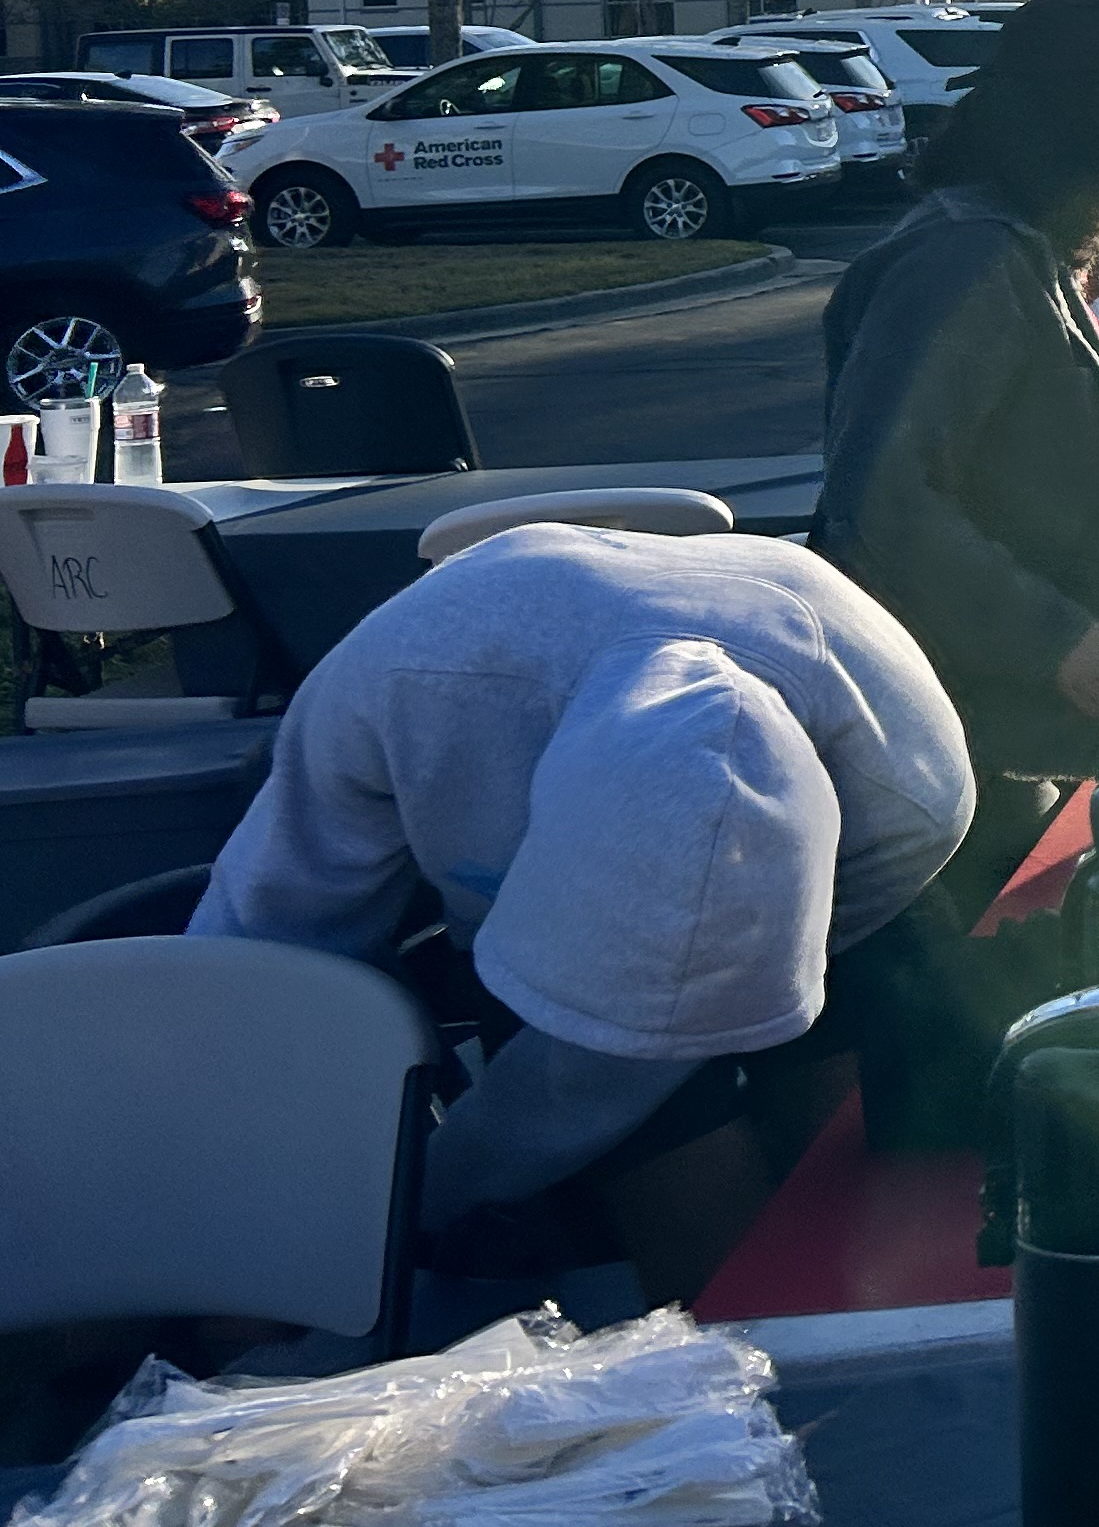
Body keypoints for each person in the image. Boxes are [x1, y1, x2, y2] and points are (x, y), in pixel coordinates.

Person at [193, 521, 974, 1297]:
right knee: (677, 1180)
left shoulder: (913, 781)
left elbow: (626, 1065)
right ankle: (729, 1356)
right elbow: (261, 954)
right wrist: (293, 1208)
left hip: (853, 860)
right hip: (485, 767)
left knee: (847, 1156)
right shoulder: (386, 689)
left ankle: (853, 1326)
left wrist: (430, 1194)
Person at [818, 0, 1099, 910]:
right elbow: (882, 503)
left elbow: (1078, 442)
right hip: (985, 744)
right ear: (1083, 123)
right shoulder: (962, 264)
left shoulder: (1064, 251)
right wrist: (1054, 637)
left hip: (1066, 730)